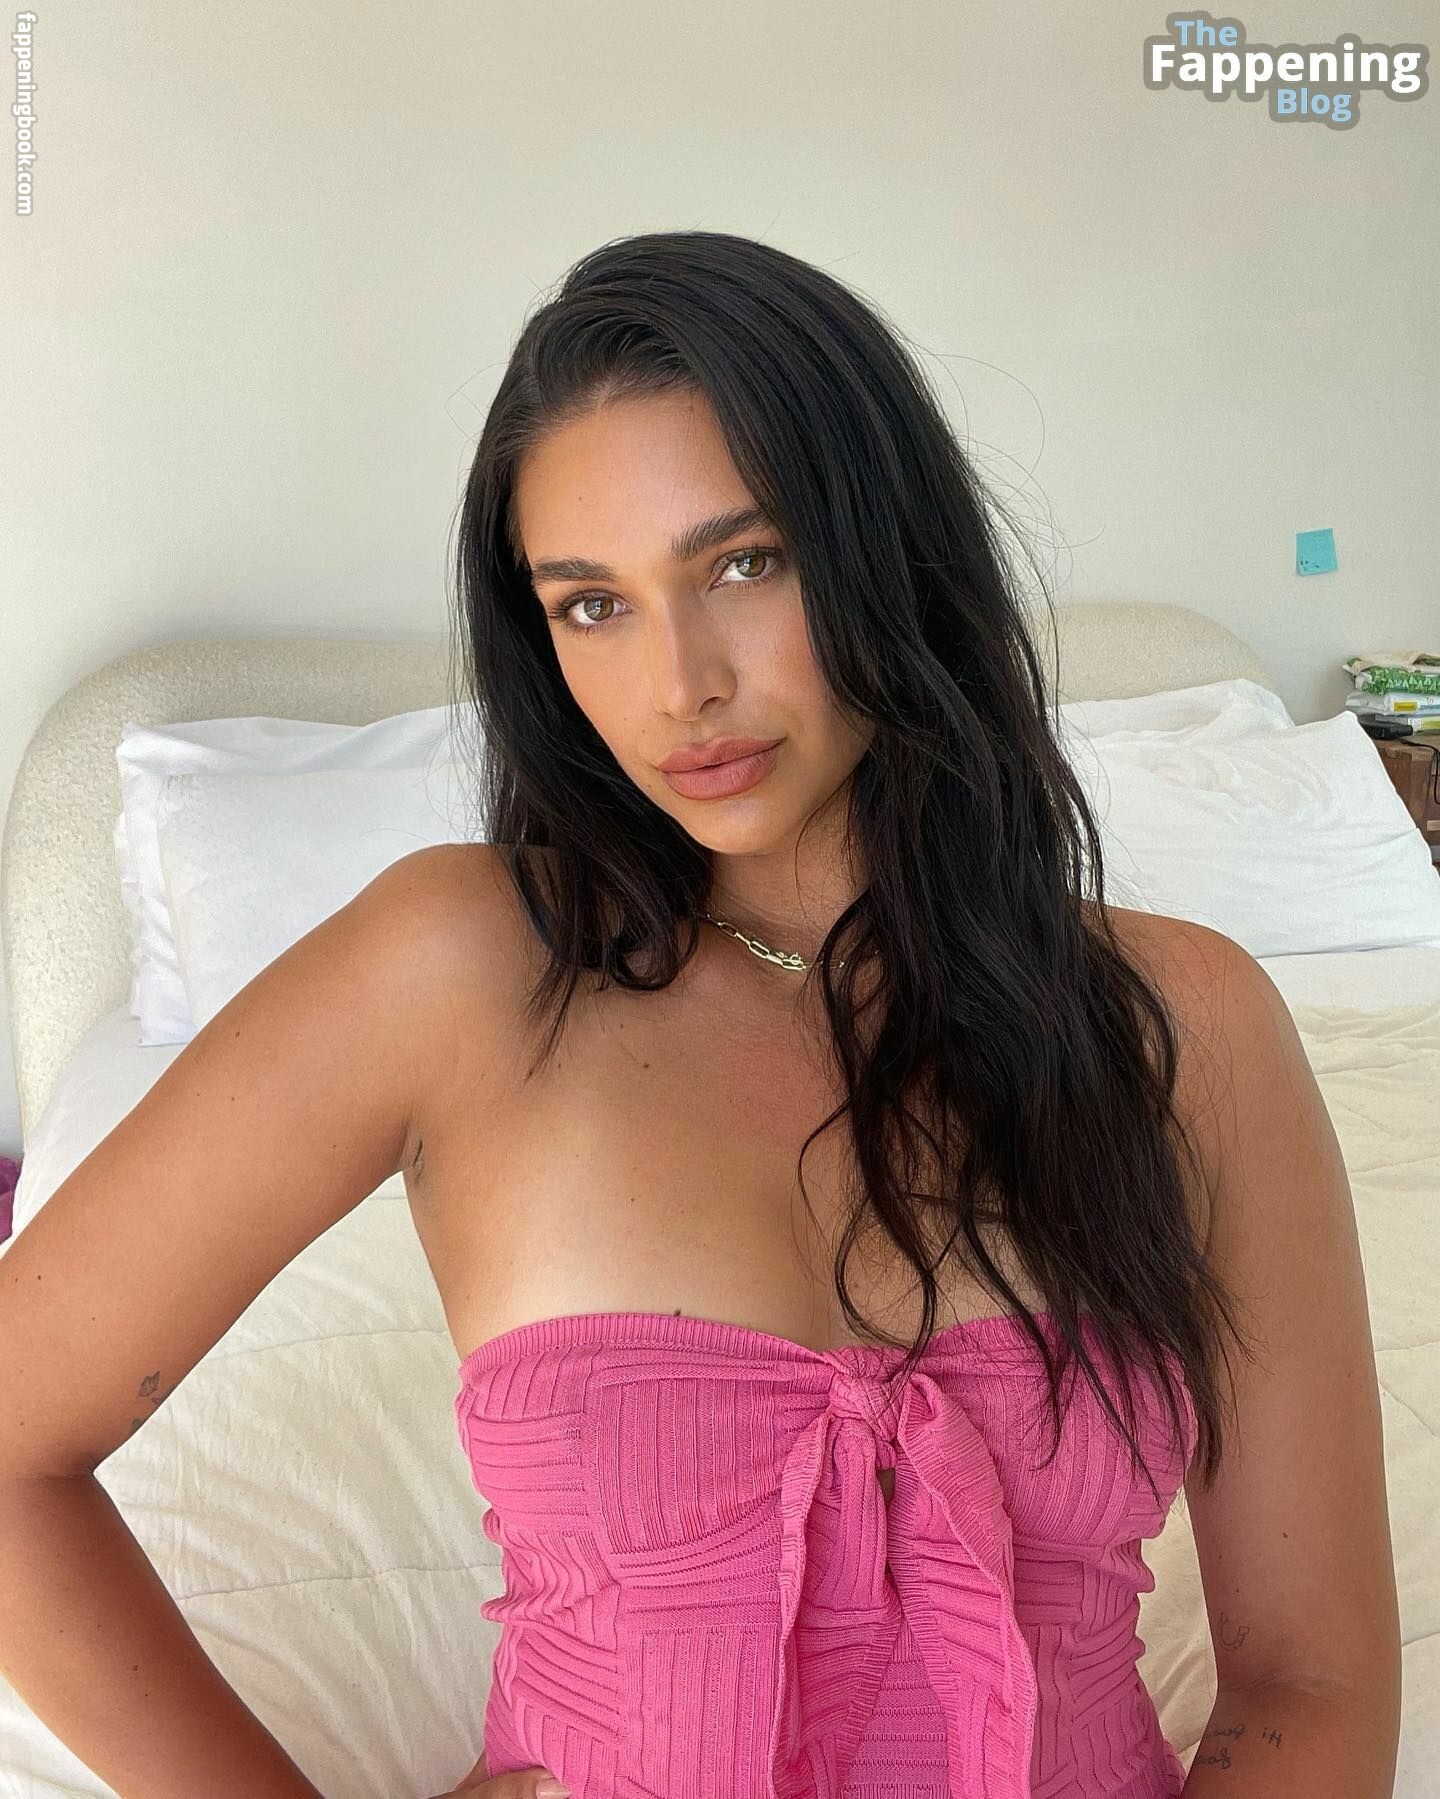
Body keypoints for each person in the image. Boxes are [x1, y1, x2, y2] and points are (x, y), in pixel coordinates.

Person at [0, 231, 1400, 1799]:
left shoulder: (1184, 1027)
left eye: (746, 564)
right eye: (593, 605)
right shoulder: (455, 969)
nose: (681, 687)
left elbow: (1313, 1678)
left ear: (889, 550)